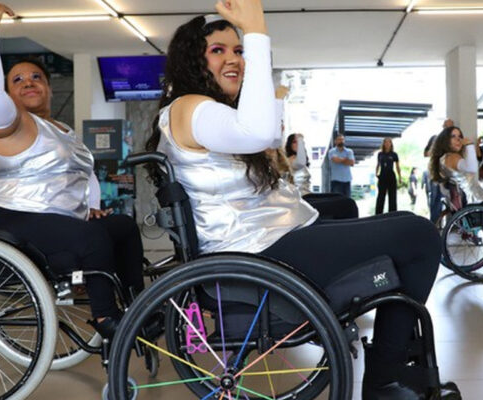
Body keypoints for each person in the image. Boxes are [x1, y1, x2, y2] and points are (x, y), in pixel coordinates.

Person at [143, 3, 455, 398]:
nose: (234, 59)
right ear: (192, 59)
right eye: (218, 50)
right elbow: (260, 134)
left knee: (363, 213)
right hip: (257, 251)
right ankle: (384, 379)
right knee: (419, 235)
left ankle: (386, 348)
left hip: (261, 240)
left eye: (238, 50)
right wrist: (256, 33)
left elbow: (262, 137)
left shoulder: (200, 109)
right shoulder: (192, 107)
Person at [0, 2, 144, 339]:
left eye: (36, 77)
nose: (29, 83)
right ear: (8, 93)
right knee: (92, 238)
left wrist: (89, 207)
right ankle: (107, 319)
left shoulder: (62, 129)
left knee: (122, 225)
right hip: (12, 218)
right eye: (17, 80)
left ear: (49, 88)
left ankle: (139, 304)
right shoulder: (9, 123)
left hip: (54, 218)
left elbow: (81, 174)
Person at [375, 137, 401, 214]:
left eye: (389, 142)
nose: (387, 144)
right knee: (381, 196)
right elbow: (378, 164)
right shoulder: (380, 154)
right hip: (382, 175)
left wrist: (399, 177)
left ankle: (392, 214)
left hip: (391, 176)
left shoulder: (394, 154)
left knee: (392, 196)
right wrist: (376, 173)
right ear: (383, 144)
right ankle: (378, 214)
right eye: (385, 142)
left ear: (391, 144)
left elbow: (397, 166)